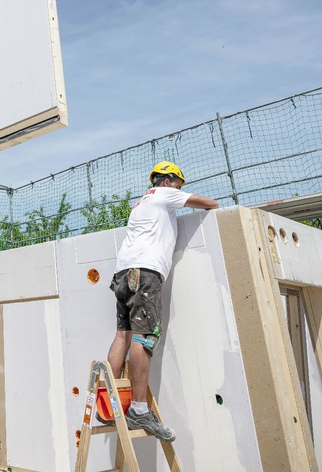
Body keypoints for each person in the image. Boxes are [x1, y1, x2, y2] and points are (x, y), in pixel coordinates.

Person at [103, 161, 218, 441]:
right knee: (144, 337)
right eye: (179, 184)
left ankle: (109, 405)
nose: (180, 191)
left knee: (123, 335)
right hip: (146, 273)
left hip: (123, 273)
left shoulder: (140, 203)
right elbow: (209, 204)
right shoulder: (164, 194)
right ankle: (139, 409)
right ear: (167, 181)